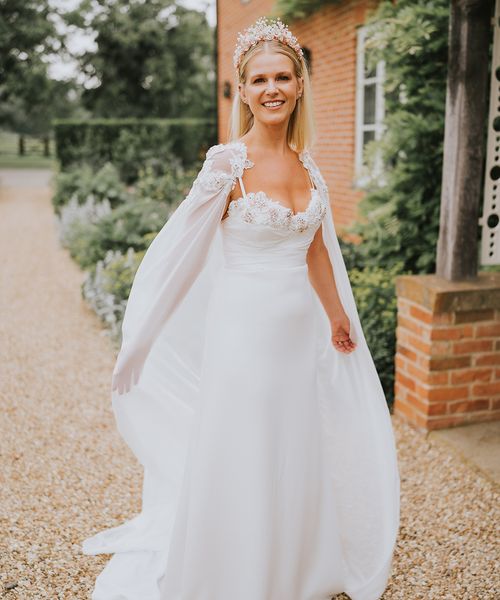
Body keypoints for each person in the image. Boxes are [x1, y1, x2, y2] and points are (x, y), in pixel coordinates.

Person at [83, 16, 400, 600]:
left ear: (299, 84)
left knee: (293, 445)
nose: (272, 89)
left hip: (295, 338)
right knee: (245, 450)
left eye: (283, 76)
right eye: (259, 80)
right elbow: (182, 260)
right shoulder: (226, 164)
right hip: (242, 340)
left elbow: (318, 254)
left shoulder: (309, 167)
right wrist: (142, 343)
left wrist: (336, 316)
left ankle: (291, 568)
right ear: (243, 89)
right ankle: (233, 574)